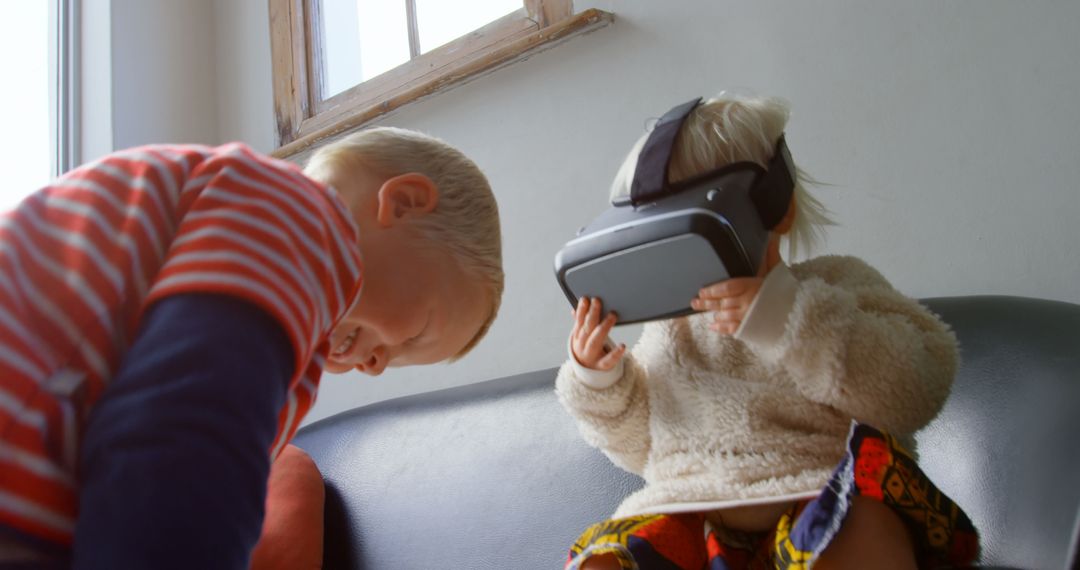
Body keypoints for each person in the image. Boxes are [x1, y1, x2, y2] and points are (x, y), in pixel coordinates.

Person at [0, 126, 503, 568]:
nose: (376, 365)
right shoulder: (301, 219)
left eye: (396, 364)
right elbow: (186, 445)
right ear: (404, 203)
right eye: (413, 336)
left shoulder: (277, 293)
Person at [556, 93, 978, 569]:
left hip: (818, 492)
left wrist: (790, 319)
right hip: (697, 515)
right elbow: (644, 449)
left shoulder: (832, 286)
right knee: (606, 559)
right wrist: (601, 382)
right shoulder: (672, 332)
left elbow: (913, 387)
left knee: (860, 527)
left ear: (778, 207)